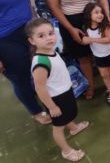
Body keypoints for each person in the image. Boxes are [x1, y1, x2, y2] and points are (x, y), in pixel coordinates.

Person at [43, 0, 110, 100]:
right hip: (71, 22)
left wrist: (106, 18)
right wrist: (71, 29)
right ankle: (91, 86)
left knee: (102, 52)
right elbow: (54, 7)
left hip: (93, 19)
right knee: (84, 58)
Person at [0, 0, 51, 125]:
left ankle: (45, 98)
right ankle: (35, 111)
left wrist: (36, 23)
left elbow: (27, 1)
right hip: (6, 40)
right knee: (20, 77)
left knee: (38, 67)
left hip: (29, 30)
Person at [26, 18, 89, 162]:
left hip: (65, 92)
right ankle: (66, 151)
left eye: (50, 33)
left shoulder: (51, 51)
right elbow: (40, 88)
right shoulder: (41, 62)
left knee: (68, 114)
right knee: (58, 126)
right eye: (41, 36)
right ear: (32, 41)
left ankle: (73, 127)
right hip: (55, 99)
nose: (48, 38)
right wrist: (52, 107)